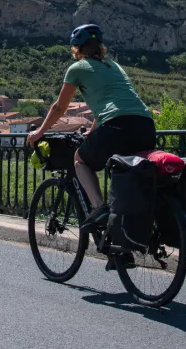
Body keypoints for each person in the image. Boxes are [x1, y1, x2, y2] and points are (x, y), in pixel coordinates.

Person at [26, 23, 156, 232]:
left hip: (117, 127)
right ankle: (124, 230)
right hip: (146, 126)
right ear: (100, 46)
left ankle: (98, 207)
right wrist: (94, 130)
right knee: (125, 172)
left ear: (76, 49)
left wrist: (40, 131)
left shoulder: (77, 68)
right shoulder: (114, 66)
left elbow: (60, 106)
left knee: (80, 160)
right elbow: (108, 105)